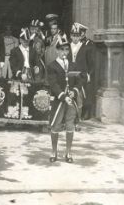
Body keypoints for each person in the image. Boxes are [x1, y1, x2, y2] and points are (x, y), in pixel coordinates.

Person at [47, 34, 81, 163]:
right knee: (55, 126)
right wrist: (62, 96)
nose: (64, 52)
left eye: (66, 49)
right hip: (58, 100)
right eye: (61, 49)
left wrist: (74, 91)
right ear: (56, 50)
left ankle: (68, 152)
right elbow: (53, 84)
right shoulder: (52, 66)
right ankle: (54, 151)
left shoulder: (73, 65)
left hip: (71, 100)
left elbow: (79, 81)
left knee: (70, 125)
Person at [75, 22, 96, 119]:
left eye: (80, 33)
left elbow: (91, 61)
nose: (78, 35)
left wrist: (89, 74)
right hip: (77, 71)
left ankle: (86, 112)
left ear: (83, 33)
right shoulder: (77, 44)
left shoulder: (89, 44)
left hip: (86, 72)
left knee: (86, 92)